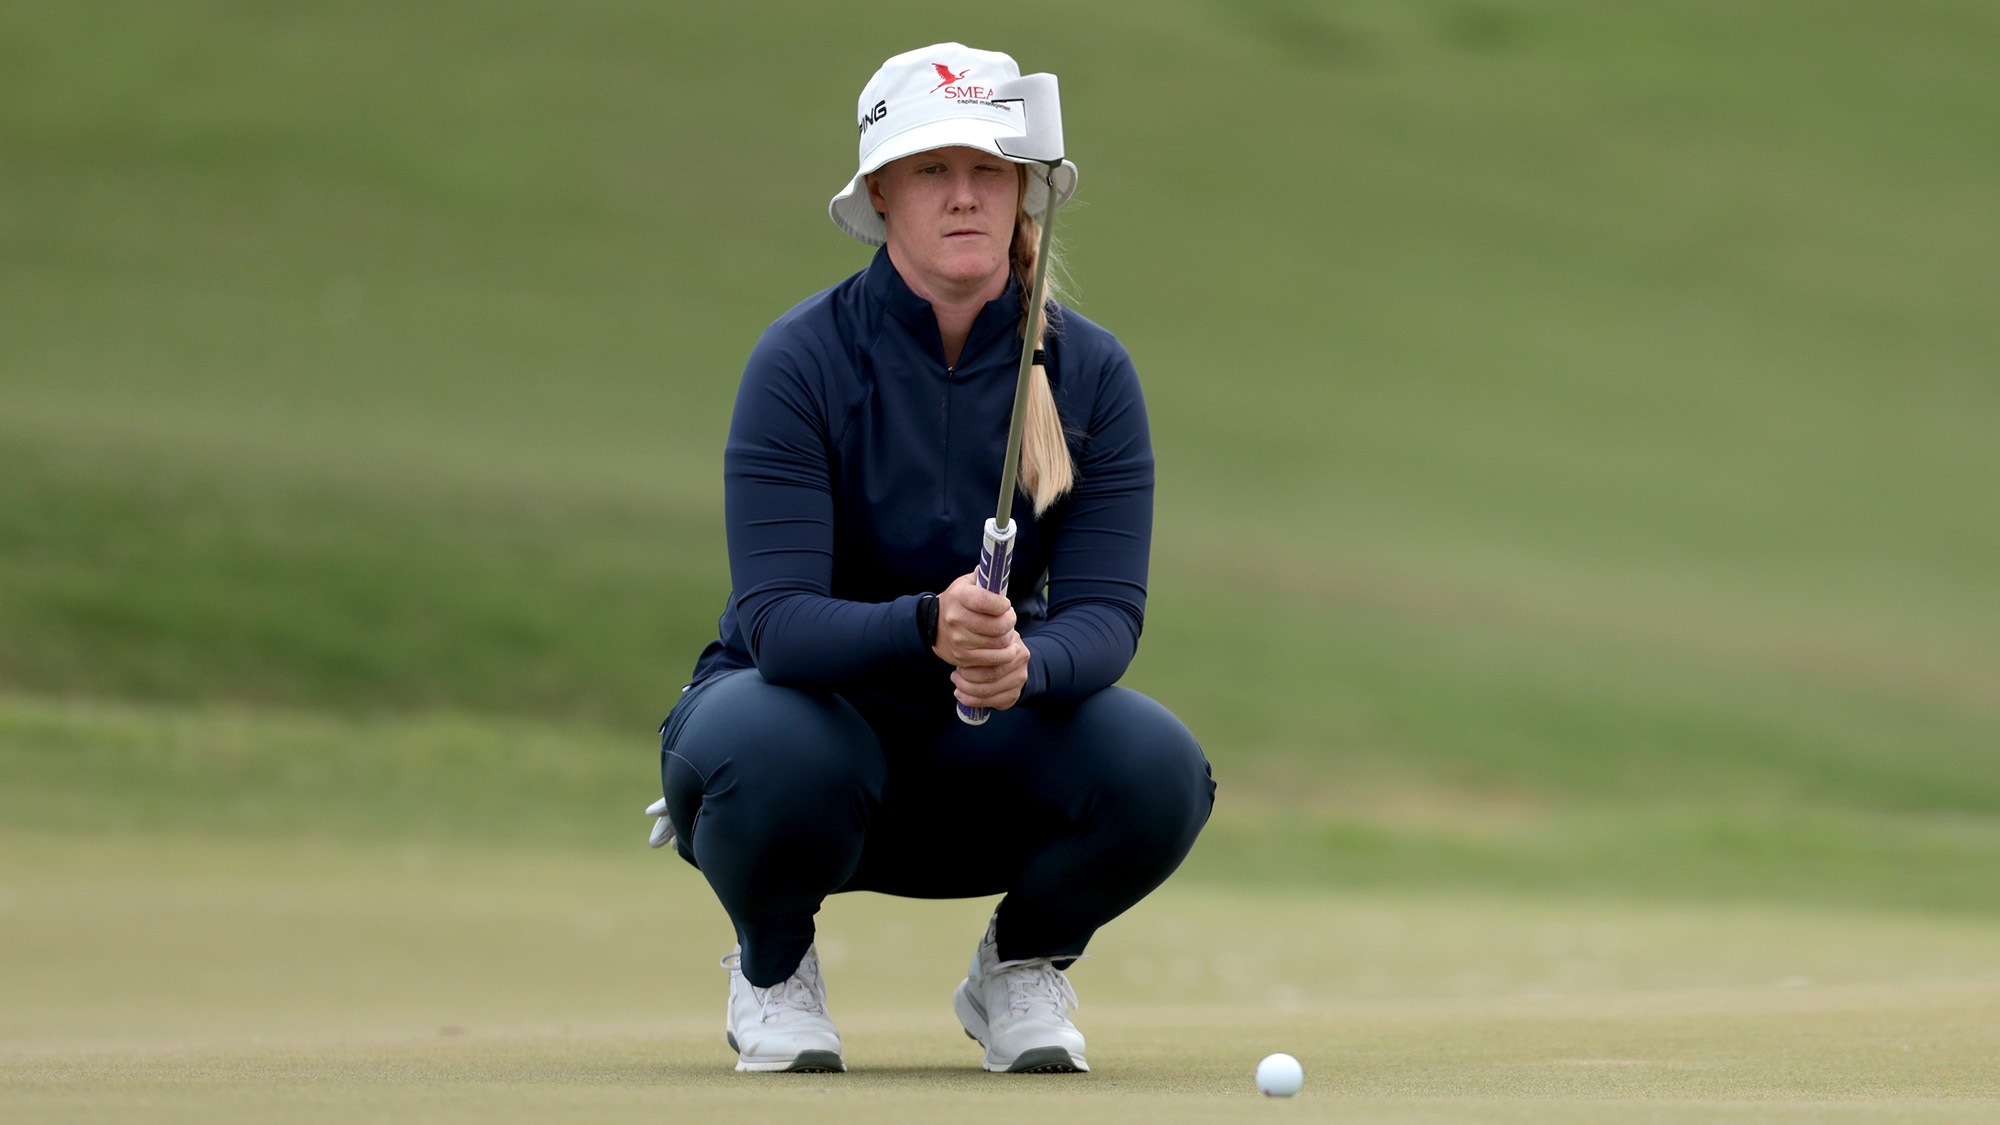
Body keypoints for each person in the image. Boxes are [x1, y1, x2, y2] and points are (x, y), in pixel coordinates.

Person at [653, 42, 1214, 1075]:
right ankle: (772, 968)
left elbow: (1104, 615)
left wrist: (1023, 666)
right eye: (931, 171)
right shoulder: (802, 359)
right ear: (880, 195)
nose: (964, 197)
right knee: (767, 748)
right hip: (807, 726)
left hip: (979, 742)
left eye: (988, 171)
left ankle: (1018, 966)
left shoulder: (1088, 373)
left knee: (1160, 769)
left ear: (1020, 192)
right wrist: (925, 625)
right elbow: (775, 617)